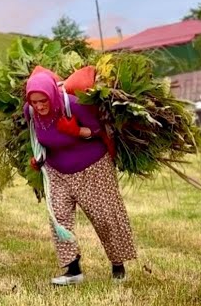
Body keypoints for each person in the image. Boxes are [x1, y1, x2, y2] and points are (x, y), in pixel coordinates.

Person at [23, 68, 136, 286]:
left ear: (51, 95)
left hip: (92, 168)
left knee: (104, 218)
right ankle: (73, 271)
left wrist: (76, 131)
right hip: (57, 171)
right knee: (59, 219)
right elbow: (35, 135)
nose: (39, 106)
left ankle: (118, 267)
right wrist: (38, 158)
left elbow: (98, 130)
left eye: (43, 100)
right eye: (34, 101)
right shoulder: (30, 112)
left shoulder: (73, 104)